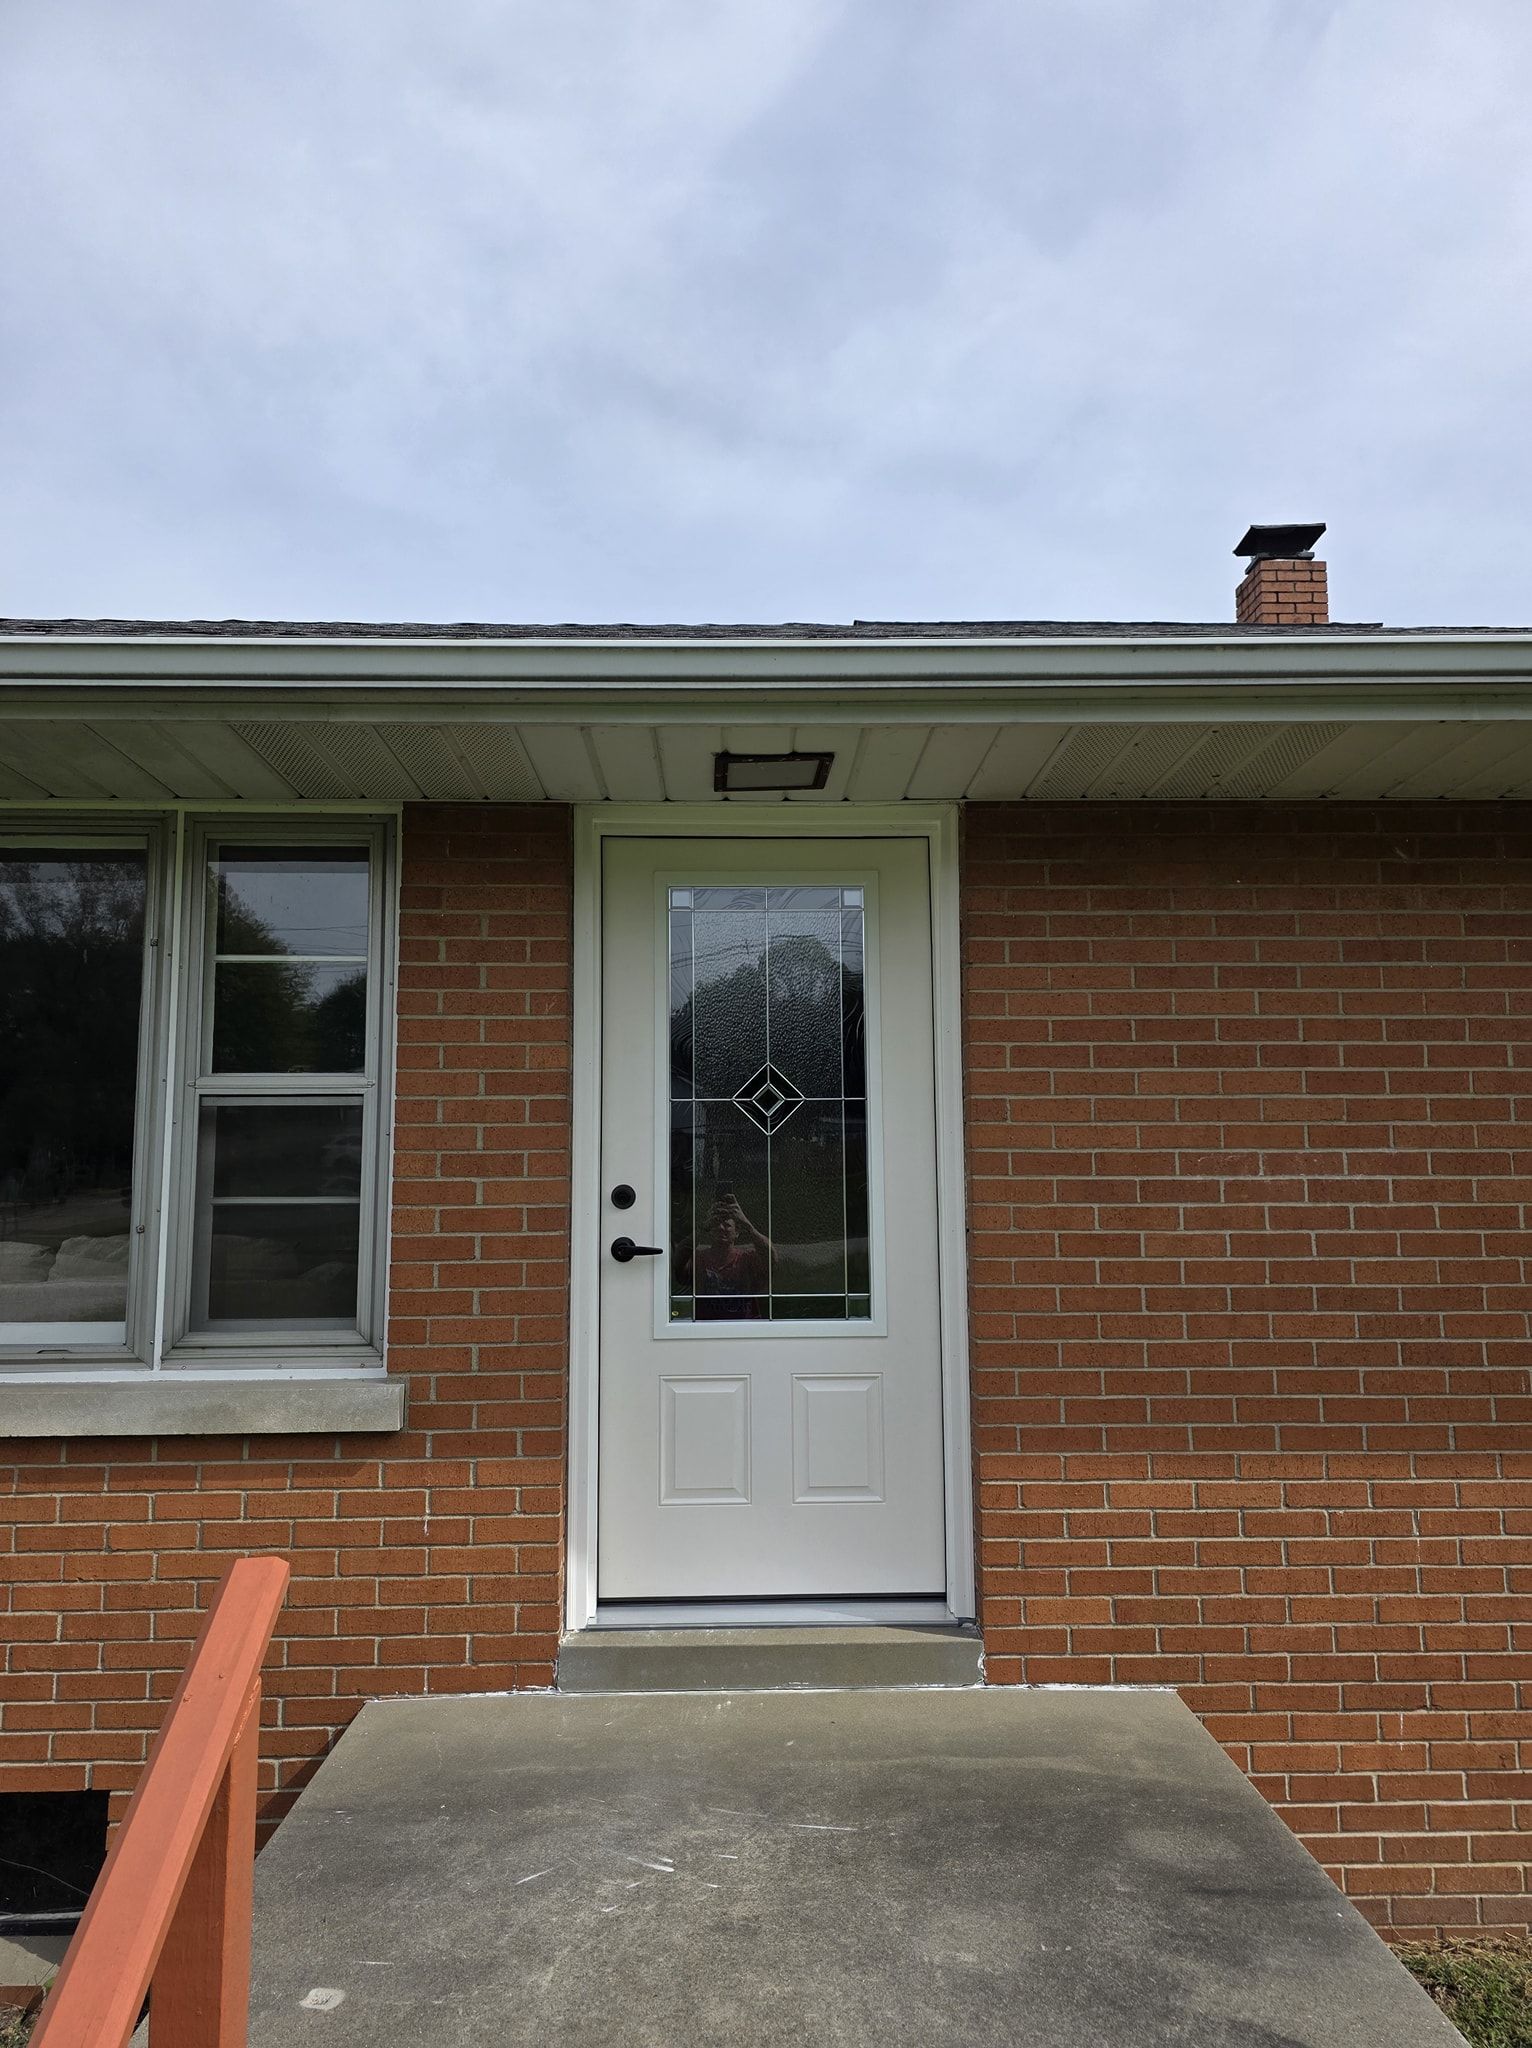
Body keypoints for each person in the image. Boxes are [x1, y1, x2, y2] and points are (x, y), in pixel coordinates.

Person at [693, 1190, 774, 1320]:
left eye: (727, 1225)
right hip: (706, 1328)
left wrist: (746, 1223)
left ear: (737, 1232)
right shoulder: (699, 1257)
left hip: (745, 1327)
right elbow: (678, 1260)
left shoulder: (747, 1258)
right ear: (710, 1230)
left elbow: (771, 1258)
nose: (721, 1227)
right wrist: (703, 1227)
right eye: (716, 1223)